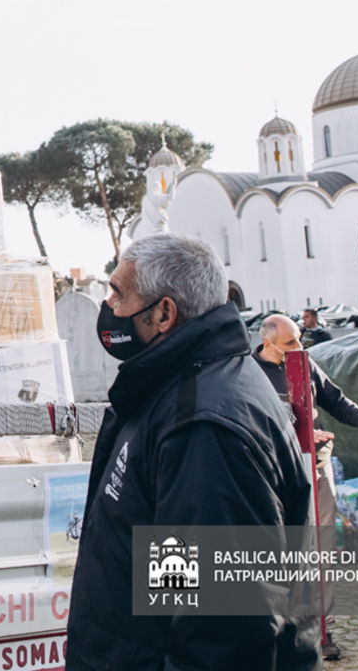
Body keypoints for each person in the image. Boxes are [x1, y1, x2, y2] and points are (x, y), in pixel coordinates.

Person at [68, 233, 316, 670]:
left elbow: (218, 635)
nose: (108, 307)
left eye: (118, 293)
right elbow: (175, 579)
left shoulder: (200, 428)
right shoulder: (176, 391)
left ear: (164, 313)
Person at [253, 313, 358, 661]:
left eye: (299, 339)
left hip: (317, 466)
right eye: (289, 343)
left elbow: (335, 400)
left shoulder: (306, 364)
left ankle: (322, 629)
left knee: (322, 548)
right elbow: (253, 423)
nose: (298, 347)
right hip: (277, 473)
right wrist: (296, 434)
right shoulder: (250, 375)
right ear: (267, 343)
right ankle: (283, 628)